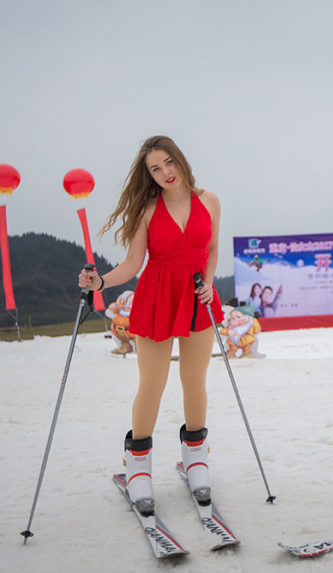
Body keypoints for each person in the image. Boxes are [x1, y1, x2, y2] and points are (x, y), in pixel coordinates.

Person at [78, 135, 222, 514]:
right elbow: (131, 264)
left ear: (180, 160)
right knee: (153, 383)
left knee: (195, 380)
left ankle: (195, 458)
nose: (164, 173)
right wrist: (101, 281)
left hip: (196, 296)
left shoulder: (209, 200)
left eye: (168, 163)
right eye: (155, 169)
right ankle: (138, 465)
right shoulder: (147, 209)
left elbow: (212, 249)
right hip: (157, 296)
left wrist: (208, 283)